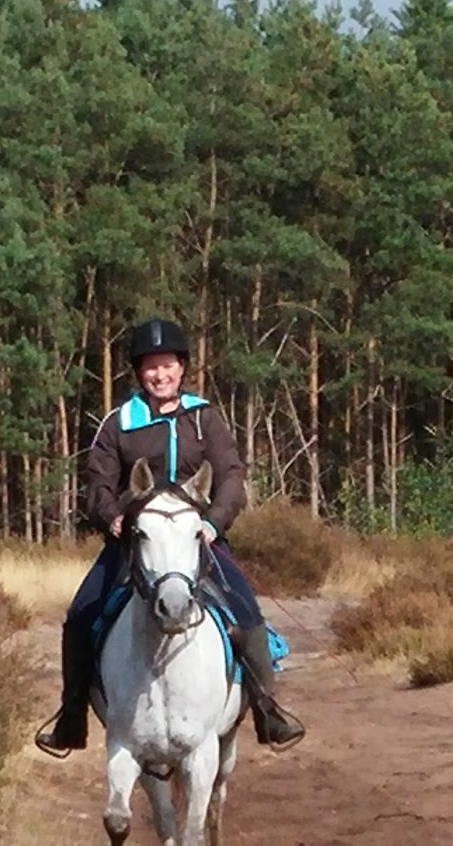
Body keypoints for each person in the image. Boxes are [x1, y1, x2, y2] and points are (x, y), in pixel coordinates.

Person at [35, 317, 305, 757]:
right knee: (81, 615)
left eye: (168, 366)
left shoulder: (205, 418)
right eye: (150, 368)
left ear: (182, 368)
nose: (160, 375)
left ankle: (268, 712)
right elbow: (98, 483)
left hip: (199, 540)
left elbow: (231, 477)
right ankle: (71, 719)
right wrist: (112, 519)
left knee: (245, 611)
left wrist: (213, 523)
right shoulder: (118, 423)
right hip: (135, 542)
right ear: (139, 373)